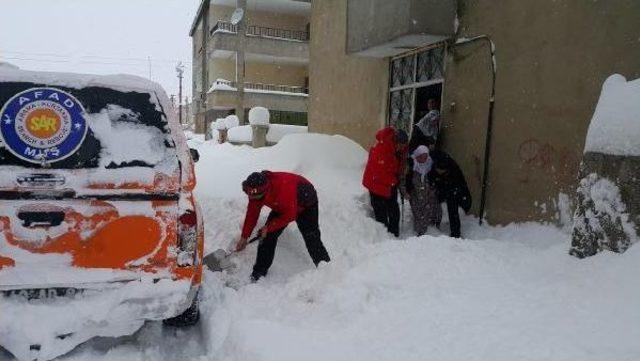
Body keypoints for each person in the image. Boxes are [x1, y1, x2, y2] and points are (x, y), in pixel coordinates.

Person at [236, 171, 330, 281]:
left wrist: (268, 227)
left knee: (311, 237)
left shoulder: (282, 191)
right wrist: (244, 236)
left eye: (257, 197)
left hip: (306, 203)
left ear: (265, 191)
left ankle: (327, 270)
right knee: (267, 236)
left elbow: (290, 215)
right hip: (283, 206)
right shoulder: (255, 193)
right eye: (250, 195)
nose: (253, 199)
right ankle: (259, 272)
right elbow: (252, 214)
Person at [362, 127, 408, 237]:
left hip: (390, 182)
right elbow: (379, 172)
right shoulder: (382, 149)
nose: (402, 148)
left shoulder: (401, 148)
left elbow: (401, 162)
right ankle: (383, 238)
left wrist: (401, 172)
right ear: (395, 142)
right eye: (401, 145)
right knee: (381, 214)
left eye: (404, 145)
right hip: (375, 184)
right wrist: (395, 180)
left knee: (394, 211)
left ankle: (394, 235)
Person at [428, 151, 472, 238]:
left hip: (453, 190)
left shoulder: (454, 172)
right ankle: (431, 225)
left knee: (452, 204)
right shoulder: (431, 163)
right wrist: (432, 187)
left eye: (442, 171)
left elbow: (459, 187)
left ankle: (455, 233)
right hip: (441, 186)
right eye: (438, 170)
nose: (440, 172)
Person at [405, 145, 442, 236]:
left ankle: (433, 231)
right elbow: (404, 180)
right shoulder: (411, 165)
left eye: (425, 156)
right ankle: (420, 234)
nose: (423, 159)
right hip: (415, 194)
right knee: (418, 213)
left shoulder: (430, 164)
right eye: (421, 156)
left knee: (431, 210)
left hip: (428, 193)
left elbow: (436, 179)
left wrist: (433, 189)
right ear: (417, 155)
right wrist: (405, 192)